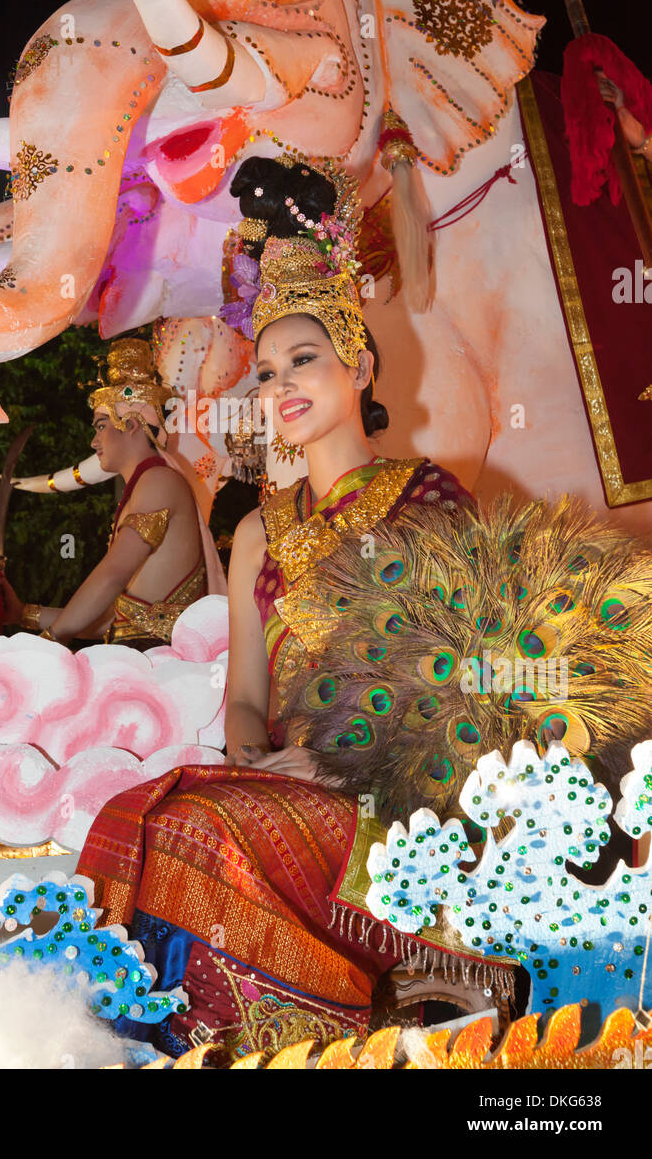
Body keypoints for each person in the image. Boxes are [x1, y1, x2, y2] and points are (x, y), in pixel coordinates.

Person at [77, 156, 515, 1063]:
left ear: (357, 363)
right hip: (282, 784)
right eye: (268, 370)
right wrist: (253, 751)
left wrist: (329, 761)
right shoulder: (256, 533)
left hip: (395, 799)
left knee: (202, 833)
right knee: (131, 818)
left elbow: (469, 684)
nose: (279, 386)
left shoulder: (426, 500)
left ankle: (318, 1032)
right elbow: (245, 689)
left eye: (303, 360)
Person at [0, 339, 222, 649]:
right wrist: (25, 614)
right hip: (138, 659)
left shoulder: (159, 481)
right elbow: (107, 618)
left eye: (101, 426)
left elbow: (113, 575)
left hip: (158, 666)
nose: (93, 441)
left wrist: (45, 645)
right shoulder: (147, 485)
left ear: (130, 424)